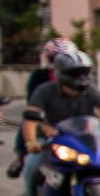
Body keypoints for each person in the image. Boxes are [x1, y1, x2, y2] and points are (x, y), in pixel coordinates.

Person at [15, 49, 100, 196]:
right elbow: (31, 119)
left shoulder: (91, 91)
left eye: (84, 72)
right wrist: (32, 143)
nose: (81, 77)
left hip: (84, 139)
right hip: (50, 140)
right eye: (75, 73)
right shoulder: (44, 91)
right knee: (32, 164)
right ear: (61, 74)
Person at [8, 38, 76, 177]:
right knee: (27, 121)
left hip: (71, 121)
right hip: (44, 119)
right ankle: (21, 156)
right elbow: (32, 105)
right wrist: (43, 125)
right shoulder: (39, 77)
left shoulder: (80, 78)